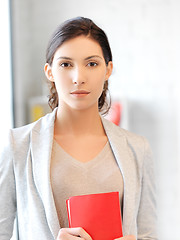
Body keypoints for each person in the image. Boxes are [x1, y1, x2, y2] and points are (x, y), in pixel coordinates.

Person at [0, 17, 157, 240]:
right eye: (65, 64)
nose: (78, 78)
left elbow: (148, 235)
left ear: (108, 70)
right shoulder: (18, 145)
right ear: (49, 71)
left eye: (92, 64)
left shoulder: (137, 148)